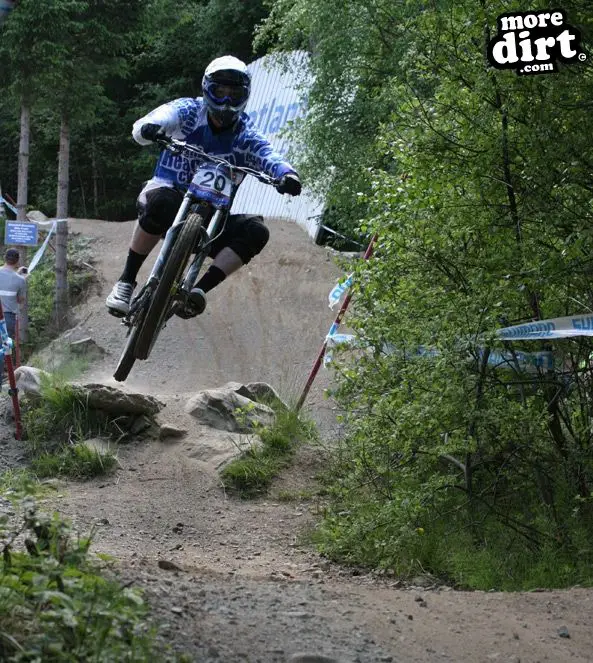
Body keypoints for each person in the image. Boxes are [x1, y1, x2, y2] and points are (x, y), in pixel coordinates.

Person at [106, 55, 302, 319]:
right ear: (207, 89)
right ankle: (126, 281)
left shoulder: (246, 135)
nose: (226, 100)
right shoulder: (188, 112)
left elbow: (269, 156)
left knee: (257, 231)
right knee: (160, 202)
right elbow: (161, 117)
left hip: (212, 216)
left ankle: (197, 291)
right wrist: (150, 128)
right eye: (220, 91)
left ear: (244, 95)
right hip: (168, 195)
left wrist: (286, 175)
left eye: (234, 93)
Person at [0, 248, 26, 387]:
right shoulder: (20, 280)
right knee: (3, 348)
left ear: (5, 258)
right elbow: (20, 300)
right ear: (17, 261)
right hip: (7, 319)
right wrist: (22, 278)